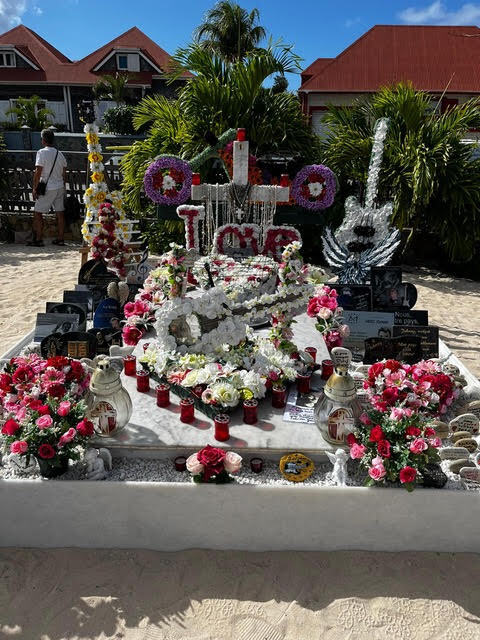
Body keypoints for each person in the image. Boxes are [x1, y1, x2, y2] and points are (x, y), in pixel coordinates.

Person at [30, 128, 67, 247]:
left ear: (43, 140)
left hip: (48, 188)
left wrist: (35, 188)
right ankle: (60, 238)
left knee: (37, 213)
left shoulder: (41, 152)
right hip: (59, 186)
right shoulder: (60, 154)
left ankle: (38, 239)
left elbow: (38, 172)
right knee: (60, 213)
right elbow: (64, 174)